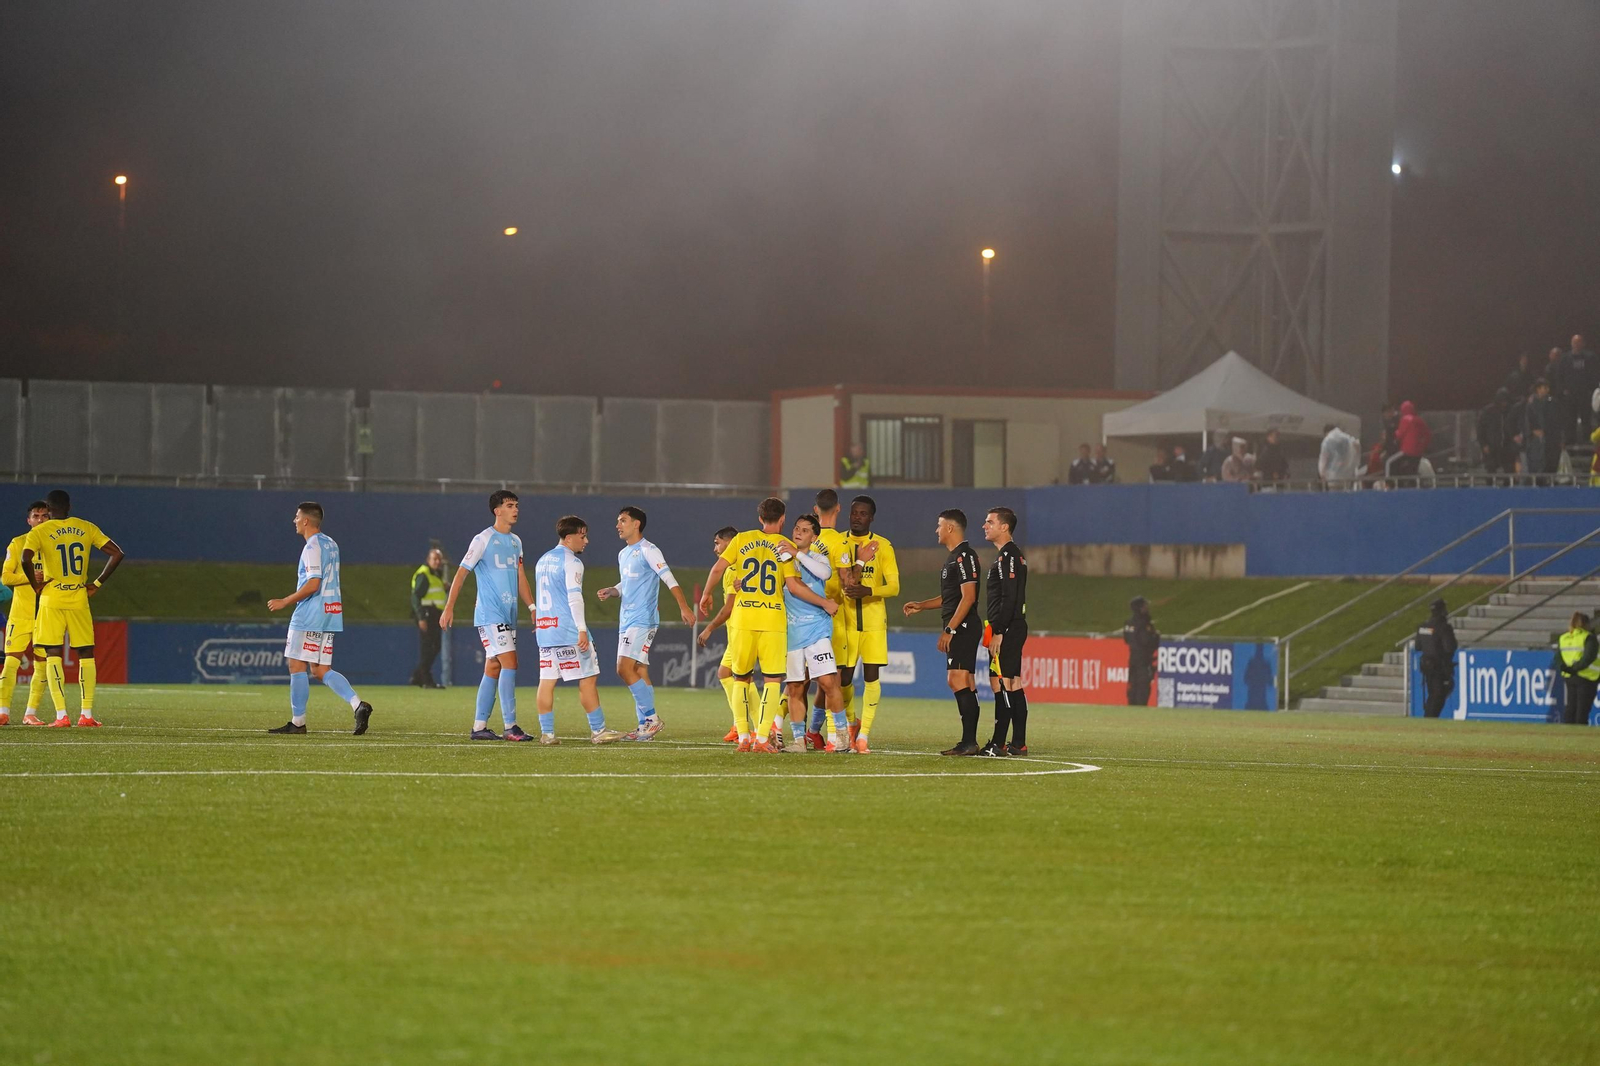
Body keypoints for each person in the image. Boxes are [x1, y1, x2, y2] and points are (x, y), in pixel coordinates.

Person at [261, 501, 372, 735]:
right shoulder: (331, 544)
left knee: (295, 664)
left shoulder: (312, 547)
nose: (294, 520)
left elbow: (313, 584)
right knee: (321, 669)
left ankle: (298, 722)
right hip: (330, 613)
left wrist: (285, 600)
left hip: (310, 613)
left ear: (306, 521)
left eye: (296, 516)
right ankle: (358, 705)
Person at [17, 490, 125, 729]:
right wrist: (96, 583)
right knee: (86, 654)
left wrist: (35, 585)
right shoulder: (85, 527)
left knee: (53, 653)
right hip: (78, 597)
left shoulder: (40, 531)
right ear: (70, 506)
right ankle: (86, 714)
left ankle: (61, 716)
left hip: (51, 597)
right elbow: (117, 553)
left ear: (48, 507)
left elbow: (25, 559)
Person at [698, 497, 793, 753]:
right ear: (783, 518)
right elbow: (790, 584)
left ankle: (743, 737)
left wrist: (706, 593)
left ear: (760, 518)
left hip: (742, 619)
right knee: (773, 680)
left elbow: (718, 569)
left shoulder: (742, 539)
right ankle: (762, 739)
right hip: (773, 619)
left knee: (741, 678)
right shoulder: (787, 546)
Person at [441, 490, 537, 741]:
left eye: (516, 504)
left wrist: (532, 608)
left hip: (509, 613)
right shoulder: (482, 539)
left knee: (493, 666)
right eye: (509, 505)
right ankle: (510, 726)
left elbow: (520, 577)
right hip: (490, 613)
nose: (515, 509)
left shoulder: (516, 541)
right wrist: (449, 606)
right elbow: (462, 573)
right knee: (510, 663)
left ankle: (479, 727)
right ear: (497, 511)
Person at [597, 506, 695, 741]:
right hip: (627, 618)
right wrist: (613, 590)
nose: (618, 525)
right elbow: (628, 583)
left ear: (636, 524)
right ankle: (644, 727)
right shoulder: (623, 554)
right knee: (639, 670)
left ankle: (651, 718)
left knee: (623, 668)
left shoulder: (650, 550)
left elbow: (669, 579)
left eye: (623, 520)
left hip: (643, 619)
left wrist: (684, 607)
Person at [533, 516, 626, 744]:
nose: (586, 541)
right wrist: (582, 630)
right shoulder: (572, 562)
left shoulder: (542, 560)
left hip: (546, 631)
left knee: (546, 681)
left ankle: (547, 734)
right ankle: (599, 731)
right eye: (582, 536)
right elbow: (575, 598)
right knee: (588, 677)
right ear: (568, 537)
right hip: (568, 631)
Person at [903, 510, 982, 756]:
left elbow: (968, 598)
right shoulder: (954, 557)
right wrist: (922, 605)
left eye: (939, 526)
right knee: (965, 681)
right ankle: (969, 742)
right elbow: (952, 597)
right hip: (962, 625)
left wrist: (950, 629)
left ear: (950, 528)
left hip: (964, 626)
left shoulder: (964, 556)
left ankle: (969, 742)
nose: (936, 530)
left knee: (956, 680)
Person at [837, 494, 900, 753]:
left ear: (871, 517)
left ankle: (863, 736)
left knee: (872, 676)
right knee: (844, 679)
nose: (857, 517)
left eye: (863, 513)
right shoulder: (839, 543)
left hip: (874, 622)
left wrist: (869, 592)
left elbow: (894, 587)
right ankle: (852, 723)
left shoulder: (883, 546)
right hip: (846, 622)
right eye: (854, 513)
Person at [780, 513, 844, 753]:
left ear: (814, 536)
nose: (798, 532)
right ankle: (798, 740)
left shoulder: (817, 558)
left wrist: (798, 554)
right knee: (795, 688)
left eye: (805, 530)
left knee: (828, 682)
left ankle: (840, 736)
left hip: (816, 629)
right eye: (797, 528)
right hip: (792, 631)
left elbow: (825, 574)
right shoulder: (782, 557)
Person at [807, 489, 855, 751]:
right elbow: (848, 582)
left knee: (801, 680)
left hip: (801, 615)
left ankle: (810, 732)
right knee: (831, 679)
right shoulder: (841, 542)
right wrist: (862, 562)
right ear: (838, 509)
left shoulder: (805, 538)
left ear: (816, 510)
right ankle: (839, 735)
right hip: (831, 617)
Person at [696, 526, 753, 743]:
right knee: (725, 673)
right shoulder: (744, 564)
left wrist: (709, 628)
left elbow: (729, 608)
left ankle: (752, 728)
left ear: (731, 543)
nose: (715, 548)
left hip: (741, 630)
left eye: (718, 542)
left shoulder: (731, 570)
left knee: (742, 677)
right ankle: (741, 724)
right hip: (741, 630)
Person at [981, 506, 1028, 757]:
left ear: (1004, 527)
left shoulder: (1009, 557)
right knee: (1013, 683)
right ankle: (1018, 743)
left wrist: (998, 630)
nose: (984, 526)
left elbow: (1009, 598)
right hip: (1009, 626)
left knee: (1002, 683)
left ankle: (999, 744)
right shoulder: (1008, 556)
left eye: (990, 522)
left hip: (1007, 627)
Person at [0, 500, 51, 726]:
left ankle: (30, 713)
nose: (40, 520)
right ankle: (3, 711)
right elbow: (6, 577)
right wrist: (29, 578)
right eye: (36, 516)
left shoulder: (54, 546)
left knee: (41, 665)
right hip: (21, 615)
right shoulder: (18, 543)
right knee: (11, 663)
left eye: (44, 516)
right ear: (28, 520)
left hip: (46, 615)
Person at [409, 547, 447, 688]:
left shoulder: (435, 574)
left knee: (434, 647)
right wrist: (420, 618)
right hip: (427, 614)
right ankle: (425, 679)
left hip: (434, 614)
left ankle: (417, 676)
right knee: (429, 648)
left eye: (439, 559)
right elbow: (415, 597)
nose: (437, 562)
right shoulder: (424, 574)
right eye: (434, 559)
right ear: (428, 560)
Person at [1416, 599, 1458, 719]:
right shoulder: (1443, 627)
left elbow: (1418, 646)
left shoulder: (1423, 626)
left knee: (1433, 694)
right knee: (1438, 696)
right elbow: (1450, 647)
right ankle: (1429, 719)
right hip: (1440, 667)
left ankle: (1429, 718)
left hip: (1426, 666)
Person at [1556, 611, 1598, 726]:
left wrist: (1566, 669)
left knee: (1571, 708)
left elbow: (1558, 658)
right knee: (1582, 712)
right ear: (1586, 624)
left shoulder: (1564, 638)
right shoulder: (1588, 638)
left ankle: (1568, 737)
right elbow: (1589, 657)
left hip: (1570, 677)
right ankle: (1580, 738)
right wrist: (1576, 668)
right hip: (1587, 677)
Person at [1561, 335, 1599, 440]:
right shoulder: (1565, 358)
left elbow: (1595, 374)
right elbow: (1560, 375)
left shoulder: (1590, 357)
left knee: (1586, 420)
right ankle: (1570, 444)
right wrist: (1564, 389)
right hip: (1570, 396)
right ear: (1571, 343)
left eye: (1579, 342)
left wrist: (1592, 390)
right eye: (1574, 342)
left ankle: (1587, 443)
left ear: (1583, 344)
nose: (1576, 345)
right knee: (1570, 420)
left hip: (1585, 394)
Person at [1122, 596, 1158, 706]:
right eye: (1145, 605)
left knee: (1133, 685)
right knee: (1142, 687)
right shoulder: (1143, 623)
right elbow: (1146, 641)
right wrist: (1156, 637)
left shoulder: (1128, 623)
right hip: (1143, 659)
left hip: (1133, 658)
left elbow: (1126, 639)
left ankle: (1132, 708)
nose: (1147, 608)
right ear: (1140, 608)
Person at [1476, 389, 1516, 475]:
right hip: (1491, 446)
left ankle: (1508, 487)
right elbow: (1480, 430)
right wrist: (1484, 444)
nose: (1504, 403)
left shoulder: (1511, 411)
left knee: (1509, 470)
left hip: (1507, 446)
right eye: (1502, 400)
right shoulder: (1488, 411)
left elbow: (1515, 427)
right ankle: (1491, 487)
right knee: (1491, 469)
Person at [1524, 378, 1556, 477]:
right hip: (1535, 439)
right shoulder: (1531, 404)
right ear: (1538, 389)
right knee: (1536, 463)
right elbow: (1527, 420)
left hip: (1549, 437)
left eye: (1547, 388)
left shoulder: (1551, 402)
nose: (1546, 390)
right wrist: (1533, 431)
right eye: (1544, 388)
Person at [1392, 401, 1432, 478]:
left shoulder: (1405, 419)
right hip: (1418, 452)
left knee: (1391, 464)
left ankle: (1394, 484)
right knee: (1413, 470)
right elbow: (1428, 435)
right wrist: (1422, 446)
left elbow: (1400, 435)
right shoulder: (1420, 420)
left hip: (1406, 451)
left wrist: (1395, 434)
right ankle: (1413, 485)